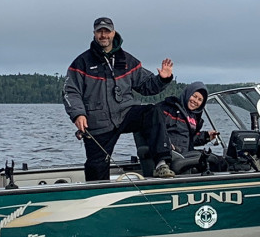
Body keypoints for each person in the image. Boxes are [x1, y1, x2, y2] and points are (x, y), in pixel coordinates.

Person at [62, 16, 176, 181]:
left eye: (107, 31)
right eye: (99, 31)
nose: (103, 35)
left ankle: (161, 163)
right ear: (94, 34)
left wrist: (163, 78)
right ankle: (97, 197)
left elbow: (147, 86)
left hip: (125, 112)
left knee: (152, 111)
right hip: (98, 122)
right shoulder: (81, 63)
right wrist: (78, 114)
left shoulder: (128, 60)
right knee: (96, 168)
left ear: (113, 33)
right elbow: (70, 91)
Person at [156, 81, 226, 171]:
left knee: (221, 161)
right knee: (214, 161)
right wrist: (165, 144)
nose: (195, 101)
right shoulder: (168, 109)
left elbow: (191, 139)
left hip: (187, 154)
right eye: (194, 96)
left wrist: (206, 136)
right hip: (172, 156)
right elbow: (154, 129)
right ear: (188, 93)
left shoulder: (194, 117)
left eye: (200, 100)